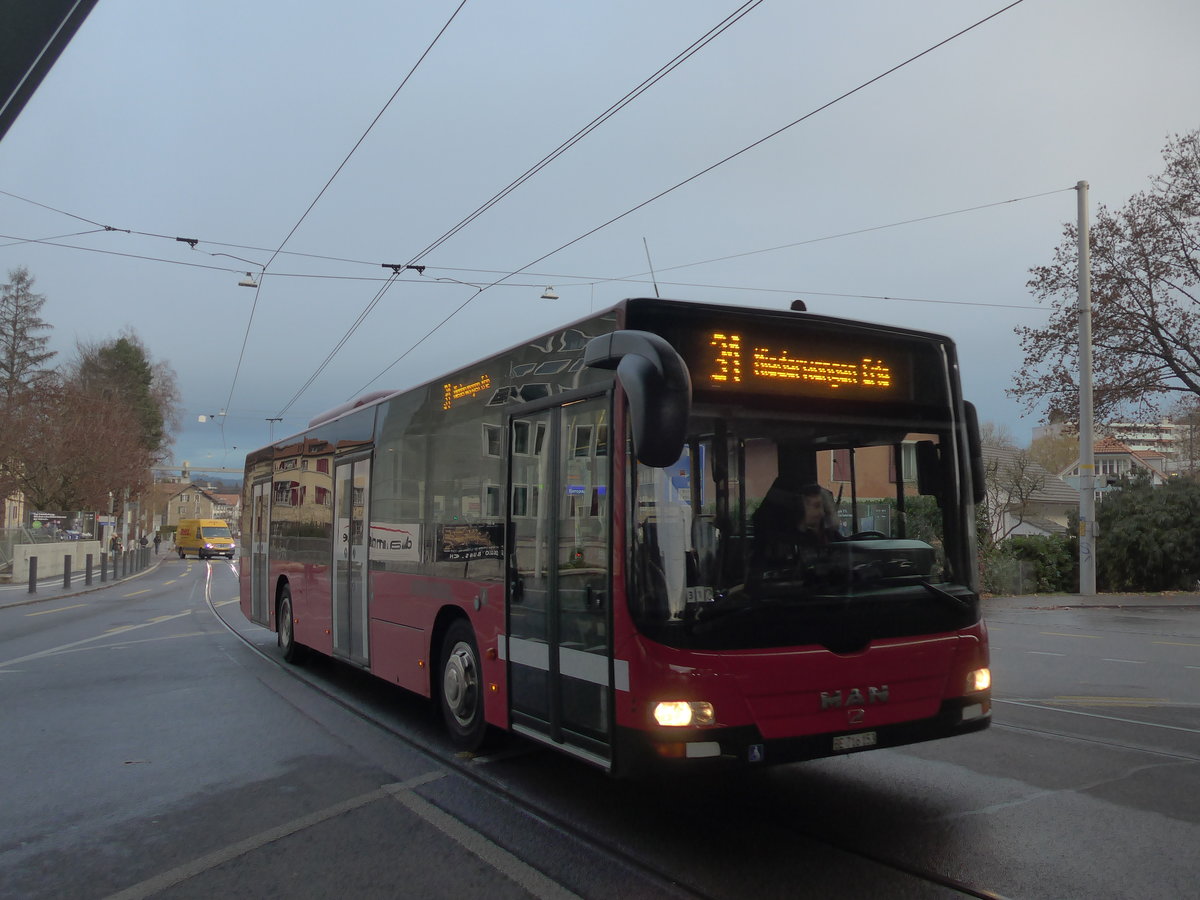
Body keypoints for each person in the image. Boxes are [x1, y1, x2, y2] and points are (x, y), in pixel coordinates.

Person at [751, 479, 841, 574]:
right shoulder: (784, 544)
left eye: (824, 508)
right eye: (816, 506)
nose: (822, 513)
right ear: (800, 507)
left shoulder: (828, 535)